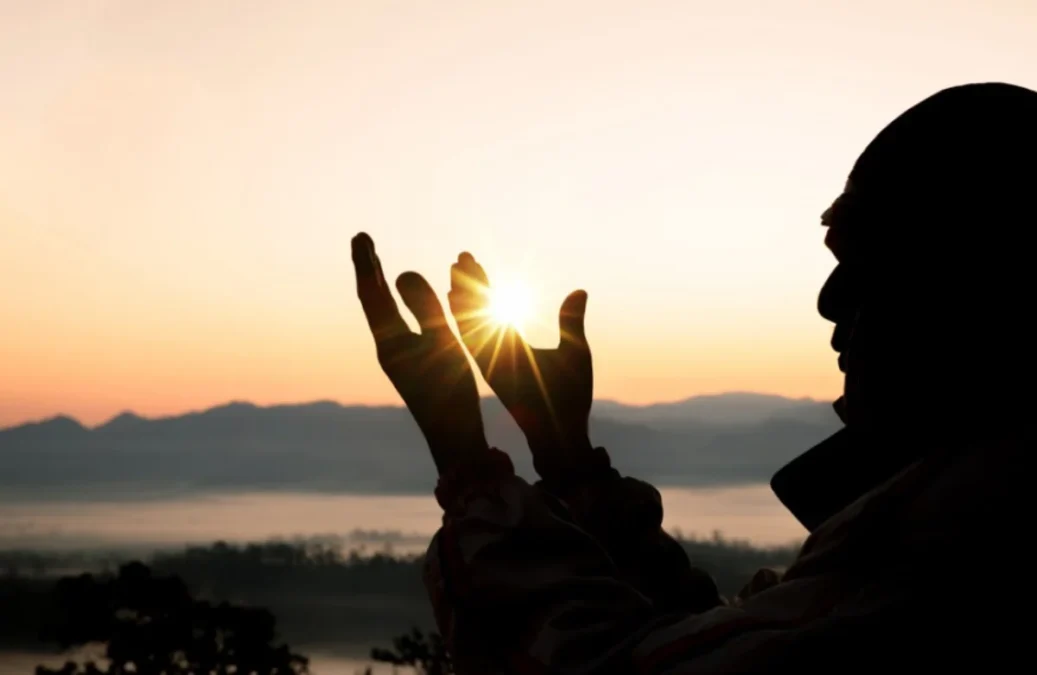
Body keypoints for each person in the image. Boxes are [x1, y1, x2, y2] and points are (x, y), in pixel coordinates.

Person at [351, 82, 1035, 673]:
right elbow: (710, 643)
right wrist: (564, 455)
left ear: (982, 275)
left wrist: (468, 468)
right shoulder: (946, 509)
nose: (829, 298)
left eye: (874, 254)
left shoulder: (962, 532)